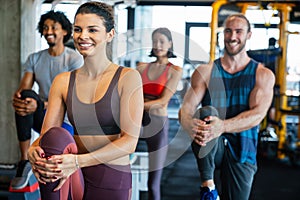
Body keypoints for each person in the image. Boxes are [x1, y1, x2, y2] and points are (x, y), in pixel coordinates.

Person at [27, 2, 144, 200]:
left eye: (92, 30)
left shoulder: (128, 78)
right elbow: (48, 133)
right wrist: (32, 149)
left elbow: (129, 142)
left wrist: (78, 161)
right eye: (78, 29)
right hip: (71, 173)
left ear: (110, 34)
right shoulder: (63, 81)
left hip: (111, 175)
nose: (83, 36)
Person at [179, 13, 275, 200]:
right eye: (228, 31)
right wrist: (188, 124)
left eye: (239, 32)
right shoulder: (205, 71)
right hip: (211, 146)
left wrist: (221, 126)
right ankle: (208, 187)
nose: (232, 37)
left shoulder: (262, 74)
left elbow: (258, 114)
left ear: (248, 35)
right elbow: (186, 109)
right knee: (206, 112)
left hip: (242, 146)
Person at [11, 10, 83, 190]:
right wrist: (19, 99)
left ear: (65, 31)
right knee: (25, 96)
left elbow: (73, 99)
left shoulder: (74, 59)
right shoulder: (34, 58)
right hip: (41, 117)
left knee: (53, 165)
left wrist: (40, 104)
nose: (48, 31)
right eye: (45, 28)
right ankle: (24, 161)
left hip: (65, 120)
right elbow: (24, 88)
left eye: (54, 27)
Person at [136, 27, 182, 200]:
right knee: (119, 166)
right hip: (138, 120)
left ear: (170, 44)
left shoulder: (175, 70)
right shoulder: (141, 67)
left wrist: (136, 105)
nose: (158, 45)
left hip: (157, 124)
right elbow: (131, 94)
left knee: (153, 182)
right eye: (155, 41)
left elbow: (163, 102)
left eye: (162, 41)